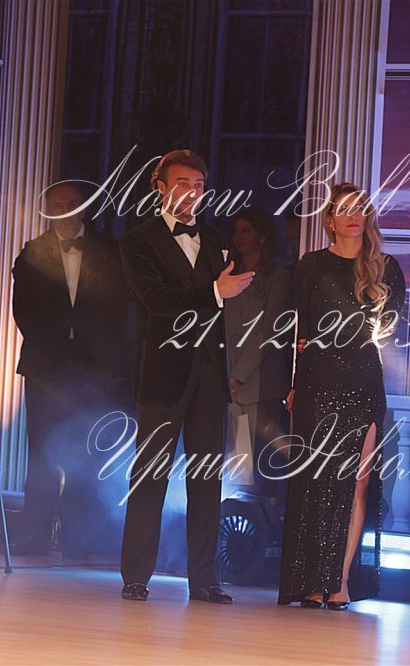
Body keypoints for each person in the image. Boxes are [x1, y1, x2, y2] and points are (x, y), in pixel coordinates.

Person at [118, 149, 254, 603]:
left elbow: (222, 306)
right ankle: (136, 576)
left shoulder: (213, 236)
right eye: (182, 184)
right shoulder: (138, 240)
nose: (192, 193)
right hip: (163, 371)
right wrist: (215, 290)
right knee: (150, 476)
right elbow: (155, 301)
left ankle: (204, 578)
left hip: (210, 372)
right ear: (160, 187)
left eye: (198, 185)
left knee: (207, 479)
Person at [277, 182, 406, 610]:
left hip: (363, 380)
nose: (353, 216)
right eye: (344, 209)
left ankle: (341, 581)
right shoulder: (311, 266)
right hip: (317, 380)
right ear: (329, 220)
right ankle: (312, 580)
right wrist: (295, 383)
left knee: (356, 483)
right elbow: (298, 329)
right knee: (315, 482)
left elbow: (390, 329)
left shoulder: (385, 268)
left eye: (360, 208)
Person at [11, 181, 130, 556]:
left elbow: (120, 310)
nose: (65, 212)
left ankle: (82, 539)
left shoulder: (110, 252)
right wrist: (55, 351)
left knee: (92, 452)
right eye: (57, 206)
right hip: (45, 369)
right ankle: (34, 535)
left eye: (72, 204)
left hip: (95, 370)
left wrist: (105, 359)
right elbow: (23, 311)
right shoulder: (32, 253)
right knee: (41, 451)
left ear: (85, 207)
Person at [223, 207, 293, 498]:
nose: (239, 237)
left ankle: (264, 519)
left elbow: (269, 331)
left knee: (264, 464)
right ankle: (239, 516)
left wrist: (239, 374)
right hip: (231, 377)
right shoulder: (227, 275)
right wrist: (228, 373)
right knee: (237, 467)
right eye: (236, 231)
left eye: (247, 231)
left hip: (262, 381)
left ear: (262, 237)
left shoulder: (278, 277)